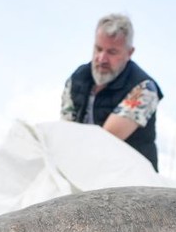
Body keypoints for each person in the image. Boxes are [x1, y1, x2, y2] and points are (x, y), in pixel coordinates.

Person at [61, 14, 163, 170]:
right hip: (82, 169)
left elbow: (106, 141)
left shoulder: (144, 88)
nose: (102, 59)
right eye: (98, 49)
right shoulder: (76, 80)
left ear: (129, 53)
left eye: (112, 52)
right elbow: (66, 132)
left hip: (132, 179)